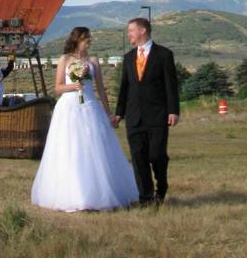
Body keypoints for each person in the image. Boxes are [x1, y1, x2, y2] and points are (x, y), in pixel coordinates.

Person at [31, 27, 138, 212]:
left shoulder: (93, 61)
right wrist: (73, 85)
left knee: (94, 147)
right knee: (69, 147)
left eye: (89, 37)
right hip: (68, 108)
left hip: (89, 106)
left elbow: (101, 89)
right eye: (86, 38)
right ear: (77, 39)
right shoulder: (64, 59)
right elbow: (57, 88)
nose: (89, 40)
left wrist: (109, 113)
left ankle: (99, 192)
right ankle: (71, 193)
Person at [112, 17, 180, 206]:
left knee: (156, 155)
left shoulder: (164, 55)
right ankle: (146, 198)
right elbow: (124, 88)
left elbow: (171, 86)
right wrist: (119, 113)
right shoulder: (128, 58)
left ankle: (162, 186)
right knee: (138, 158)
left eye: (131, 31)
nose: (129, 34)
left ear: (142, 31)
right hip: (134, 117)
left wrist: (173, 110)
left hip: (157, 115)